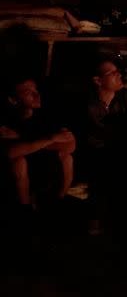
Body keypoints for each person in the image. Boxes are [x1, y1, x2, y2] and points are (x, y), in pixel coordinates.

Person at [1, 76, 75, 208]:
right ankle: (24, 208)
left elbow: (70, 145)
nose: (36, 95)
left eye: (36, 90)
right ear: (13, 100)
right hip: (21, 175)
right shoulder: (8, 121)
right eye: (28, 92)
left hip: (46, 168)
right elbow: (11, 152)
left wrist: (23, 140)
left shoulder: (47, 116)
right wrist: (50, 139)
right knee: (19, 162)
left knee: (67, 158)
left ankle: (59, 201)